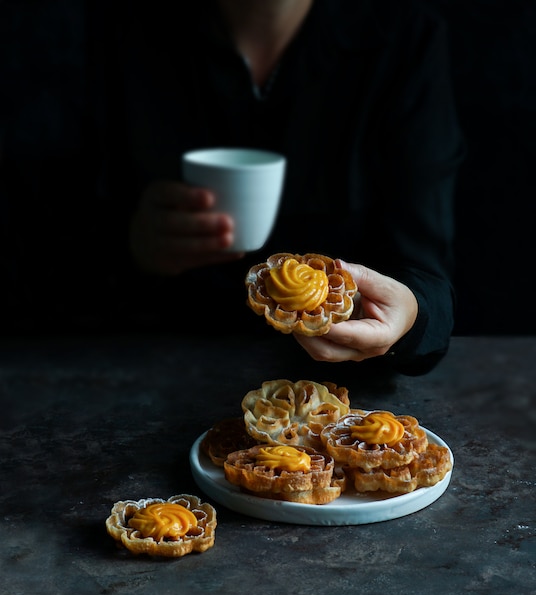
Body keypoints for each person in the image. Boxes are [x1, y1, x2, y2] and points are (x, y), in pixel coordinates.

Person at [1, 0, 464, 376]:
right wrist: (132, 247)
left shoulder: (405, 41)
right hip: (150, 377)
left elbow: (428, 284)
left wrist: (408, 317)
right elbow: (44, 253)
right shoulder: (123, 33)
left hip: (341, 398)